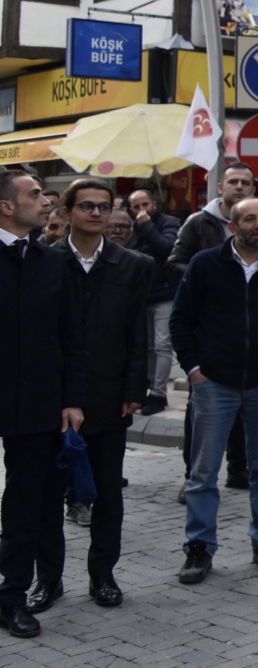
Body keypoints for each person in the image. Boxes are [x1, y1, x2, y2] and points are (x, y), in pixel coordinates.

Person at [169, 198, 258, 585]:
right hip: (214, 384)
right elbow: (181, 320)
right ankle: (199, 548)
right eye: (250, 218)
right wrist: (194, 371)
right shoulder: (205, 264)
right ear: (233, 227)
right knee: (203, 472)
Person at [31, 180, 150, 612]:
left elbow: (140, 331)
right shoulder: (44, 259)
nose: (97, 214)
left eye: (104, 206)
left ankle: (103, 575)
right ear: (66, 211)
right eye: (87, 206)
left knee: (107, 495)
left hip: (107, 393)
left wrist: (136, 387)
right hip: (52, 395)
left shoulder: (133, 264)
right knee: (49, 494)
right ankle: (49, 578)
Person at [0, 171, 84, 640]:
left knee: (25, 504)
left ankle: (11, 597)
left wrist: (71, 399)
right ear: (6, 206)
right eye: (34, 194)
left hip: (37, 403)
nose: (45, 200)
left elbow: (70, 338)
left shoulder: (52, 262)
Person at [168, 163, 258, 493]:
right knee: (202, 409)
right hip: (208, 332)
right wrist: (209, 278)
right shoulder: (199, 222)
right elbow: (174, 261)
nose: (239, 187)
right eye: (233, 182)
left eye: (245, 183)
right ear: (220, 187)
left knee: (243, 410)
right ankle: (192, 476)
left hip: (248, 334)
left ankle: (239, 469)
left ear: (253, 189)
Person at [126, 188, 181, 416]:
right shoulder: (132, 227)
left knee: (162, 345)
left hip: (164, 292)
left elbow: (166, 248)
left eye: (145, 204)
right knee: (147, 346)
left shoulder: (169, 222)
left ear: (154, 204)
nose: (141, 210)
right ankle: (147, 388)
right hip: (143, 294)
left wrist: (146, 225)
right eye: (136, 207)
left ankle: (159, 393)